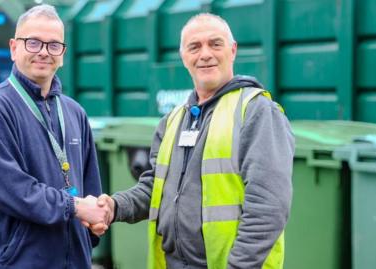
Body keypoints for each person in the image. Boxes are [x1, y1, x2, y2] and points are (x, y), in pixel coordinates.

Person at [93, 13, 295, 269]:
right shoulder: (174, 119)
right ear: (183, 56)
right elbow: (156, 188)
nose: (205, 54)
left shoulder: (257, 111)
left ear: (232, 50)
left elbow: (268, 207)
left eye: (215, 44)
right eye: (195, 46)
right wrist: (113, 206)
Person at [0, 4, 110, 269]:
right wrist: (75, 207)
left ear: (63, 54)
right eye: (33, 43)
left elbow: (90, 182)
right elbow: (12, 191)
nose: (44, 52)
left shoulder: (74, 111)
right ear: (13, 48)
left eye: (54, 45)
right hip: (15, 262)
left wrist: (95, 221)